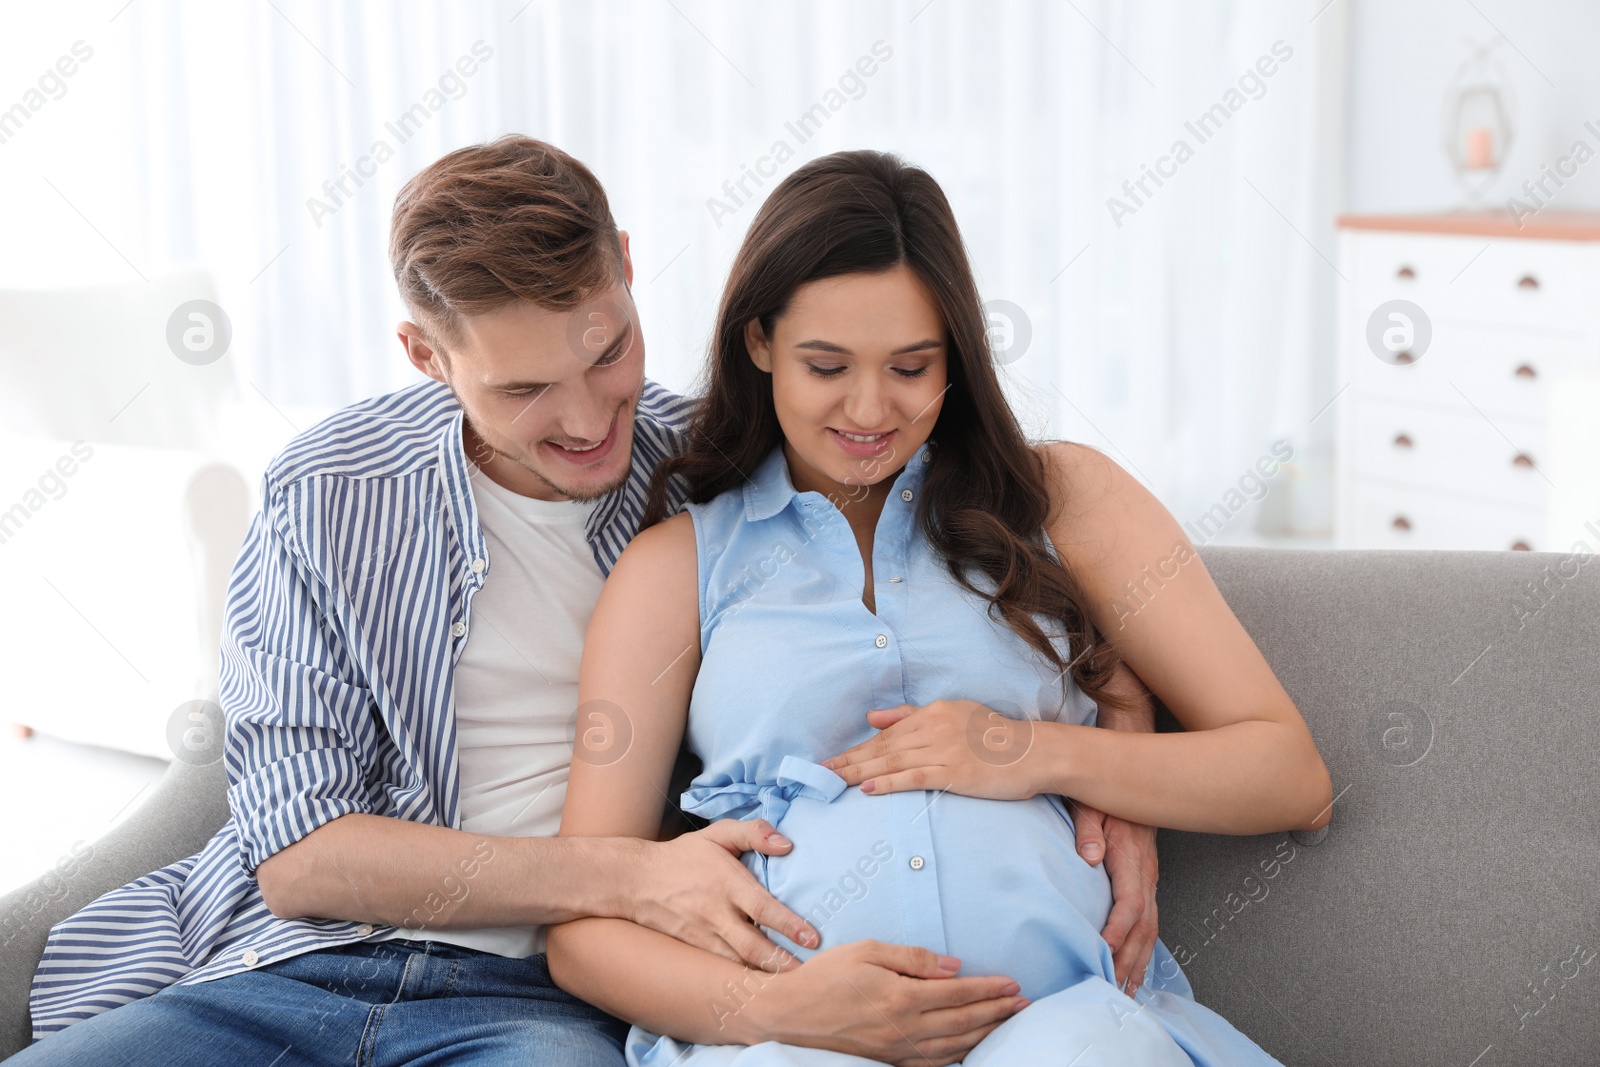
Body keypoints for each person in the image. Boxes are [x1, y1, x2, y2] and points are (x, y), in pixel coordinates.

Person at [11, 136, 1158, 1066]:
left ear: (623, 260)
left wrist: (1119, 788)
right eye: (522, 388)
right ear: (424, 354)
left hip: (537, 1001)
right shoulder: (328, 492)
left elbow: (1004, 581)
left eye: (606, 352)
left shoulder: (708, 472)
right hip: (290, 961)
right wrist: (628, 871)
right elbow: (300, 855)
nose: (587, 419)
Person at [547, 150, 1333, 1066]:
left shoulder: (1067, 499)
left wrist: (1028, 750)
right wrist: (781, 1008)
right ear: (759, 343)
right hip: (793, 1040)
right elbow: (582, 924)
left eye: (911, 367)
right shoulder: (677, 565)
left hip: (1066, 1022)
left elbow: (1292, 779)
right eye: (826, 365)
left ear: (956, 354)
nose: (870, 408)